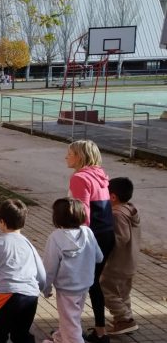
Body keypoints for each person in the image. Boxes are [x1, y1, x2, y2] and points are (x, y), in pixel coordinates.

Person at [65, 140, 114, 343]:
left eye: (70, 153)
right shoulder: (101, 176)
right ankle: (99, 330)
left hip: (90, 236)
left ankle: (72, 332)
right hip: (107, 235)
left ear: (80, 156)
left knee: (80, 284)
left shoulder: (80, 178)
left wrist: (72, 241)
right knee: (93, 283)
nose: (66, 157)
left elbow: (82, 213)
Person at [0, 199, 46, 343]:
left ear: (2, 222)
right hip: (30, 297)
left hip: (6, 295)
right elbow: (42, 276)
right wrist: (36, 291)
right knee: (21, 335)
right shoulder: (29, 244)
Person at [42, 198, 103, 343]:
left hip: (66, 288)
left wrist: (46, 287)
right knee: (72, 317)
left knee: (71, 322)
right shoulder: (88, 232)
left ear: (57, 217)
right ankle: (61, 337)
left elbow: (49, 267)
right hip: (84, 285)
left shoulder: (56, 237)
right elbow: (99, 257)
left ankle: (70, 338)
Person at [100, 177, 140, 335]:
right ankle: (125, 319)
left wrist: (104, 245)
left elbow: (121, 238)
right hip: (129, 262)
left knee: (106, 291)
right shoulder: (130, 209)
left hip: (117, 263)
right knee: (122, 293)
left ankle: (124, 319)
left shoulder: (117, 214)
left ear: (113, 197)